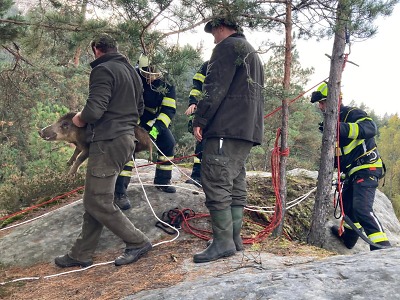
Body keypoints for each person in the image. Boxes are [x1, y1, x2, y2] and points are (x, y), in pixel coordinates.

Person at [54, 33, 152, 268]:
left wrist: (78, 119)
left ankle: (137, 242)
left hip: (108, 141)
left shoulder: (103, 69)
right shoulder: (131, 72)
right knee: (95, 198)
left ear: (96, 49)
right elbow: (140, 108)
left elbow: (93, 111)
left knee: (98, 200)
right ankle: (81, 253)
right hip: (126, 139)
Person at [192, 16, 265, 263]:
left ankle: (223, 243)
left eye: (213, 33)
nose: (213, 38)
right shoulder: (252, 52)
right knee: (235, 184)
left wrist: (200, 119)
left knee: (216, 181)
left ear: (221, 28)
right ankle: (233, 240)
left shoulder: (226, 47)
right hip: (246, 132)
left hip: (225, 129)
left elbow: (214, 87)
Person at [310, 82, 391, 251]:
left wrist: (339, 128)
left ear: (335, 100)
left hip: (367, 167)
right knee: (348, 208)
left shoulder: (352, 114)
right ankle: (348, 239)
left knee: (362, 209)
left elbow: (370, 128)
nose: (320, 107)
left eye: (323, 102)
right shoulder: (329, 124)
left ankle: (383, 247)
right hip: (351, 173)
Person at [113, 54, 177, 204]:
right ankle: (120, 191)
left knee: (168, 143)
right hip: (132, 119)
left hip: (154, 120)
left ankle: (163, 181)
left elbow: (168, 111)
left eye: (154, 74)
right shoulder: (132, 77)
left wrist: (153, 131)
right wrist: (137, 130)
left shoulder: (168, 82)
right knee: (129, 146)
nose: (151, 78)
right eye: (147, 74)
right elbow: (126, 105)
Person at [184, 60, 209, 187]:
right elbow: (197, 87)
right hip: (204, 112)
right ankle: (196, 177)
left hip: (222, 115)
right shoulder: (207, 66)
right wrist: (193, 102)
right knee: (200, 144)